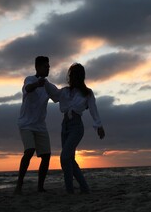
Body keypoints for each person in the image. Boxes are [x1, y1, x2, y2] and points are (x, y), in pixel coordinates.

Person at [44, 63, 105, 194]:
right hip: (64, 125)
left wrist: (98, 125)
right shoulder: (65, 91)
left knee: (64, 157)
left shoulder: (87, 93)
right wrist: (44, 82)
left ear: (80, 76)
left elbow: (93, 109)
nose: (72, 77)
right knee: (69, 159)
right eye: (71, 74)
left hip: (76, 126)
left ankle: (69, 190)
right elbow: (54, 94)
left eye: (74, 75)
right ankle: (83, 188)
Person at [15, 56, 52, 194]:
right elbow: (28, 88)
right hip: (26, 124)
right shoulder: (30, 79)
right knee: (29, 150)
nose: (48, 68)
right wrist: (37, 84)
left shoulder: (48, 85)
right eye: (45, 66)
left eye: (48, 66)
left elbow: (59, 95)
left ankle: (40, 187)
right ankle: (19, 186)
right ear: (37, 67)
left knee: (46, 155)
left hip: (40, 125)